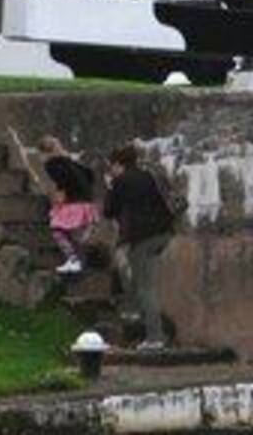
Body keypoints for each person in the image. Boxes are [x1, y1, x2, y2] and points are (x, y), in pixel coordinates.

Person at [103, 144, 176, 351]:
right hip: (164, 233)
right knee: (139, 279)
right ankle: (135, 315)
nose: (111, 170)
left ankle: (155, 337)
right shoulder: (149, 175)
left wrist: (110, 187)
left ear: (118, 164)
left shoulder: (120, 181)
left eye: (112, 166)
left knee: (145, 287)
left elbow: (109, 211)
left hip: (142, 237)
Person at [38, 137, 97, 274]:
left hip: (74, 203)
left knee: (57, 230)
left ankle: (74, 261)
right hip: (87, 203)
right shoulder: (69, 161)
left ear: (44, 153)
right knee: (73, 235)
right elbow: (90, 174)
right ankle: (79, 261)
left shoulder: (51, 164)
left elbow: (63, 178)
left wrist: (61, 191)